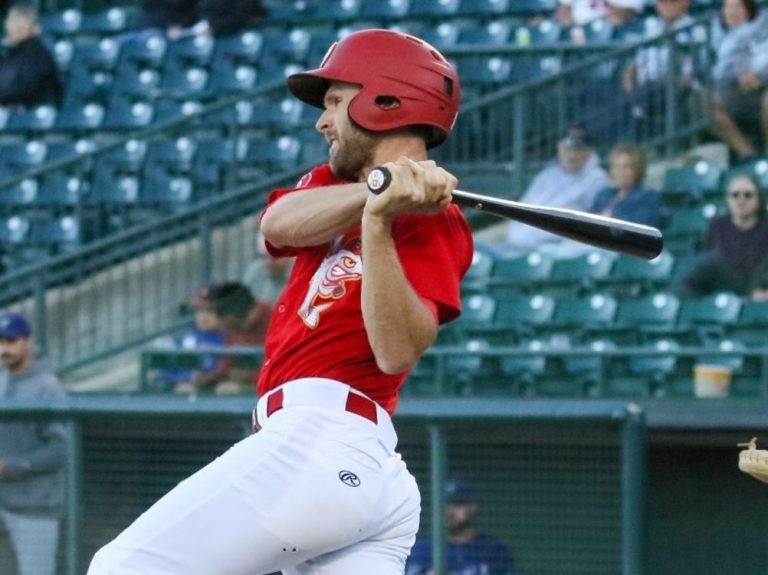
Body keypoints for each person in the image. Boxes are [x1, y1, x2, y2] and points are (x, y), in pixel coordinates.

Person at [88, 28, 473, 575]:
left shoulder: (437, 222)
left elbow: (397, 352)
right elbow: (277, 226)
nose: (322, 121)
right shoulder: (335, 183)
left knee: (123, 568)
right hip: (341, 460)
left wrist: (382, 223)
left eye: (337, 102)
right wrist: (375, 193)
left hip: (327, 438)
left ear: (387, 102)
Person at [0, 311, 68, 575]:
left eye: (11, 341)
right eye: (1, 341)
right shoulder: (1, 380)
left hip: (35, 507)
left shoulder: (47, 386)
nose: (4, 348)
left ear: (27, 341)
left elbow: (62, 449)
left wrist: (14, 466)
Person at [506, 126, 610, 255]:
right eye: (567, 149)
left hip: (561, 241)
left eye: (578, 150)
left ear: (588, 153)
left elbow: (595, 215)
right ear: (559, 149)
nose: (572, 155)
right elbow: (523, 206)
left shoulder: (597, 177)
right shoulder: (548, 175)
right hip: (523, 238)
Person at [674, 174, 768, 296]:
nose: (741, 200)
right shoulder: (717, 226)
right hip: (718, 288)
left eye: (748, 195)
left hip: (750, 287)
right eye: (735, 195)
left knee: (714, 262)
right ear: (727, 199)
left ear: (758, 199)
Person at [173, 282, 271, 395]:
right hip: (243, 384)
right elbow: (226, 365)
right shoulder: (231, 326)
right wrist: (198, 383)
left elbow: (279, 372)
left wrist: (246, 380)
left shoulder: (275, 320)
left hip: (269, 390)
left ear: (250, 313)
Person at [406, 477, 515, 575]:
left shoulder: (494, 550)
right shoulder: (421, 551)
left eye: (457, 504)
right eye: (444, 504)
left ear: (472, 507)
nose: (449, 511)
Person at [710, 0, 768, 159]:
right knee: (707, 104)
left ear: (748, 10)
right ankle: (748, 154)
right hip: (731, 90)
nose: (731, 12)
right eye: (728, 7)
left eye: (737, 7)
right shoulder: (718, 37)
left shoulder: (764, 28)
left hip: (761, 86)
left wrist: (759, 76)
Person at [151, 284, 226, 392]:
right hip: (178, 386)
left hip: (208, 390)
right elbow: (168, 369)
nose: (204, 316)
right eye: (200, 311)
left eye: (210, 311)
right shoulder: (186, 336)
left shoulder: (228, 338)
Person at [0, 3, 63, 109]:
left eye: (18, 22)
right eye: (12, 21)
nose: (12, 26)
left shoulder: (38, 56)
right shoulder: (10, 56)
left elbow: (24, 88)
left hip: (30, 116)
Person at [590, 142, 662, 227]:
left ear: (637, 170)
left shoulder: (648, 197)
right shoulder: (603, 195)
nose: (620, 172)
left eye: (626, 167)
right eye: (616, 166)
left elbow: (640, 227)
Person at [241, 230, 294, 305]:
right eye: (264, 257)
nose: (268, 262)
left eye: (274, 257)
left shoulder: (295, 274)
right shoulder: (256, 272)